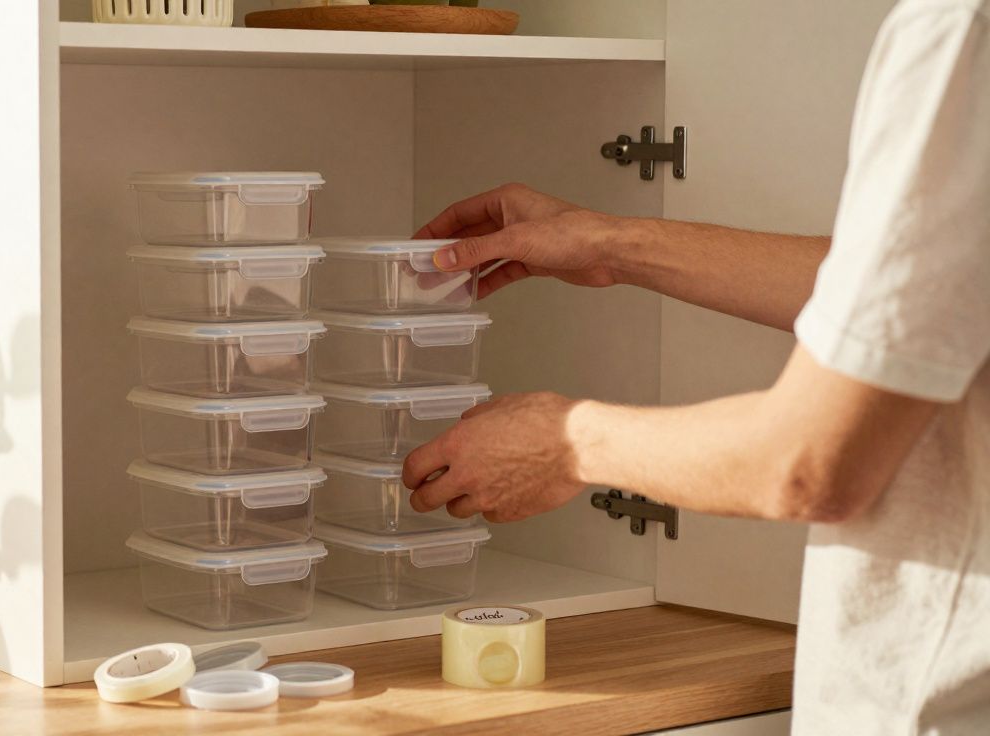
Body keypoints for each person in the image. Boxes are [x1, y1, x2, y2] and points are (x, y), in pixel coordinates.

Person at [400, 0, 990, 732]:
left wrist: (565, 443)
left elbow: (809, 461)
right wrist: (610, 242)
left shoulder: (964, 34)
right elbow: (914, 298)